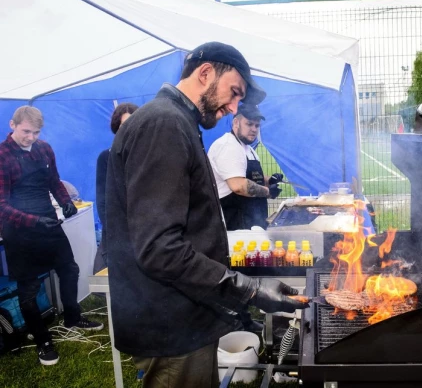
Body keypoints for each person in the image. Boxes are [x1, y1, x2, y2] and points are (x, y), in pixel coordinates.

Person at [105, 41, 308, 388]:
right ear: (205, 73)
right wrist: (250, 291)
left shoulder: (177, 122)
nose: (233, 108)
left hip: (183, 313)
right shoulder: (163, 124)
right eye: (233, 93)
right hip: (170, 322)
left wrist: (250, 281)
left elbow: (190, 230)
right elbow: (160, 249)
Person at [0, 106, 103, 366]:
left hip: (47, 220)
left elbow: (54, 180)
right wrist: (33, 221)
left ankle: (72, 316)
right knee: (29, 289)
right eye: (26, 131)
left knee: (69, 269)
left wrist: (65, 201)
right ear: (12, 125)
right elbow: (1, 205)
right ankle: (43, 339)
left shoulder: (44, 149)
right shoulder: (2, 156)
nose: (31, 137)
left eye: (35, 132)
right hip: (20, 229)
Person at [208, 103, 284, 231]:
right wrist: (268, 192)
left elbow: (251, 177)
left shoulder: (248, 149)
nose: (254, 129)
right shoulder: (228, 146)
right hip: (234, 224)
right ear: (236, 123)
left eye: (257, 125)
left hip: (252, 221)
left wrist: (269, 180)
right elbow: (239, 186)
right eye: (249, 124)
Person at [94, 102, 138, 273]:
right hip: (118, 228)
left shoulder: (147, 155)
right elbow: (102, 200)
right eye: (123, 125)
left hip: (145, 228)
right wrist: (114, 230)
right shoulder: (106, 157)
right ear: (116, 128)